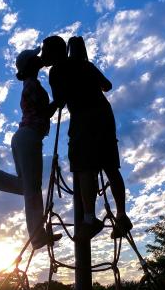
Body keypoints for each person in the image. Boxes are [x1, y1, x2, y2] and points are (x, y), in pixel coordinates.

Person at [0, 48, 62, 251]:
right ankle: (37, 236)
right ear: (30, 65)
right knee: (32, 191)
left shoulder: (31, 84)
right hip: (29, 137)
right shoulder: (32, 85)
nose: (38, 58)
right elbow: (45, 112)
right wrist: (60, 100)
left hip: (23, 138)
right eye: (35, 58)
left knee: (27, 187)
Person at [41, 35, 133, 241]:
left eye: (45, 50)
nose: (42, 54)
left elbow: (60, 100)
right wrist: (86, 73)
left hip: (84, 120)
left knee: (83, 168)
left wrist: (44, 112)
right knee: (110, 166)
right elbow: (107, 85)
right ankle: (122, 215)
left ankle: (90, 220)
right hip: (104, 116)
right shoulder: (84, 65)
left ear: (56, 52)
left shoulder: (56, 71)